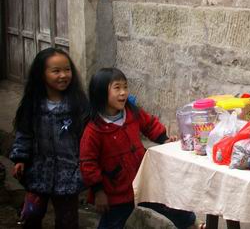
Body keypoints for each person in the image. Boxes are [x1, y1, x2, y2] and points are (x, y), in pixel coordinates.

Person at [80, 68, 196, 229]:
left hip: (142, 179)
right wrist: (98, 192)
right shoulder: (94, 130)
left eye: (125, 87)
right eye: (117, 88)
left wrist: (164, 139)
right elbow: (88, 164)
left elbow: (149, 124)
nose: (123, 93)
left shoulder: (132, 113)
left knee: (168, 205)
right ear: (100, 92)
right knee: (112, 223)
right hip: (115, 189)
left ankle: (192, 224)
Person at [10, 47, 89, 229]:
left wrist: (86, 166)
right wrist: (20, 159)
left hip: (69, 173)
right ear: (41, 74)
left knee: (67, 220)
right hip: (38, 171)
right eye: (56, 71)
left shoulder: (78, 106)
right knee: (31, 214)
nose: (63, 75)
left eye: (67, 70)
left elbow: (86, 139)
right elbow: (25, 134)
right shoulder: (34, 104)